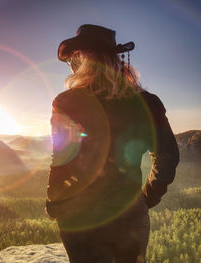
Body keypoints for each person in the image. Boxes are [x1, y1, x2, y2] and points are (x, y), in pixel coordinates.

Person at [45, 24, 179, 263]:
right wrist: (146, 198)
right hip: (130, 215)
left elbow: (62, 159)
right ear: (116, 60)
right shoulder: (148, 103)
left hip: (81, 217)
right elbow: (168, 157)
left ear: (84, 59)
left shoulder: (67, 102)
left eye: (75, 59)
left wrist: (55, 203)